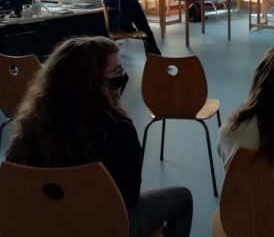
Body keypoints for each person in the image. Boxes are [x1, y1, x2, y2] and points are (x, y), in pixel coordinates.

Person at [6, 36, 192, 237]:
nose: (122, 77)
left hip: (43, 224)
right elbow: (129, 197)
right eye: (116, 72)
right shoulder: (118, 128)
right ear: (91, 83)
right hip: (101, 227)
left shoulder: (31, 123)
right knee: (182, 197)